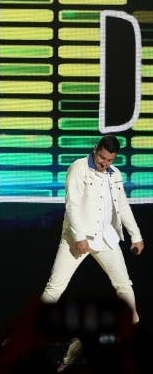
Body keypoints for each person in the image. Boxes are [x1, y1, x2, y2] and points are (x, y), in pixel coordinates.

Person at [41, 134, 143, 322]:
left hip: (105, 238)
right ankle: (30, 331)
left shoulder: (115, 174)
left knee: (124, 284)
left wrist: (136, 235)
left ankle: (133, 330)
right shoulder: (78, 168)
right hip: (78, 239)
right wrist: (79, 236)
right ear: (96, 149)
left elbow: (122, 206)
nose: (104, 163)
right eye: (102, 158)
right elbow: (72, 204)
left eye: (109, 160)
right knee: (56, 286)